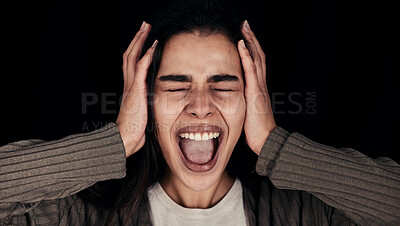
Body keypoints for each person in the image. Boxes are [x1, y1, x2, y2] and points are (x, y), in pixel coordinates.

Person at [0, 0, 399, 225]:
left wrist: (275, 145)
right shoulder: (79, 217)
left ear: (251, 100)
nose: (201, 105)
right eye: (176, 85)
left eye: (223, 85)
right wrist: (117, 140)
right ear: (146, 100)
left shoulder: (305, 215)